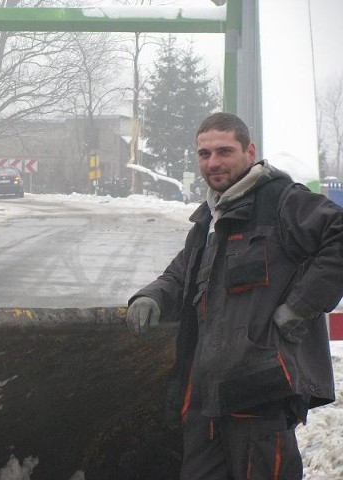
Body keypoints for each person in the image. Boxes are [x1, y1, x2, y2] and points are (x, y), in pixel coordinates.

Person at [126, 112, 343, 479]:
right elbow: (181, 275)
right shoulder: (209, 219)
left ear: (250, 151)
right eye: (204, 153)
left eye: (224, 151)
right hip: (206, 400)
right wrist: (151, 297)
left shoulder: (282, 202)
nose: (213, 162)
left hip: (261, 394)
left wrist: (300, 307)